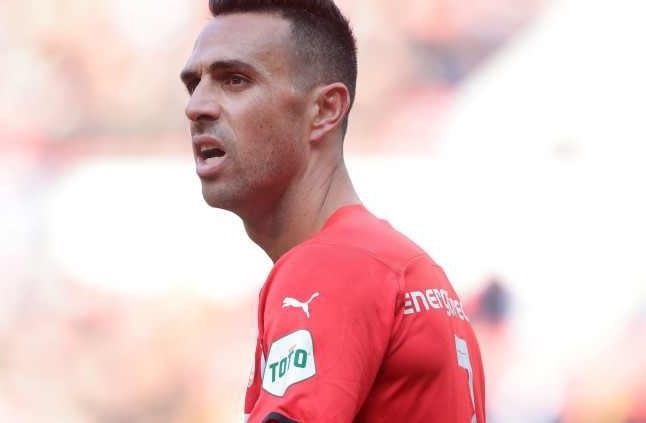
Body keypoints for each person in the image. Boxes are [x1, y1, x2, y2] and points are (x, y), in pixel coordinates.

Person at [180, 1, 486, 421]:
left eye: (235, 80)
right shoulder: (406, 268)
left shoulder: (331, 264)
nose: (196, 107)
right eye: (193, 85)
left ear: (324, 110)